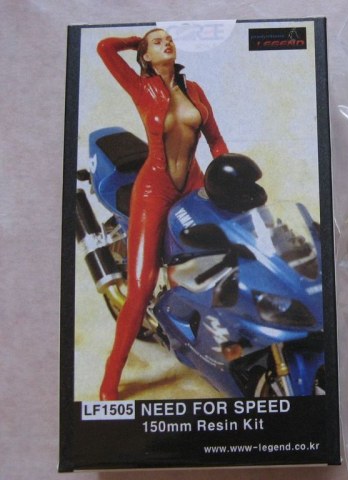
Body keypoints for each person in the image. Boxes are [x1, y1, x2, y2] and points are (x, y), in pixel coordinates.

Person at [96, 28, 229, 400]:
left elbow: (216, 140)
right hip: (155, 188)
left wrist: (228, 171)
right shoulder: (140, 87)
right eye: (157, 42)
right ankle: (111, 377)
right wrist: (135, 40)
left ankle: (203, 339)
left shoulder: (195, 90)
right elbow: (104, 48)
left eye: (169, 39)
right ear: (146, 56)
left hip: (194, 183)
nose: (166, 42)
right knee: (141, 287)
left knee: (221, 253)